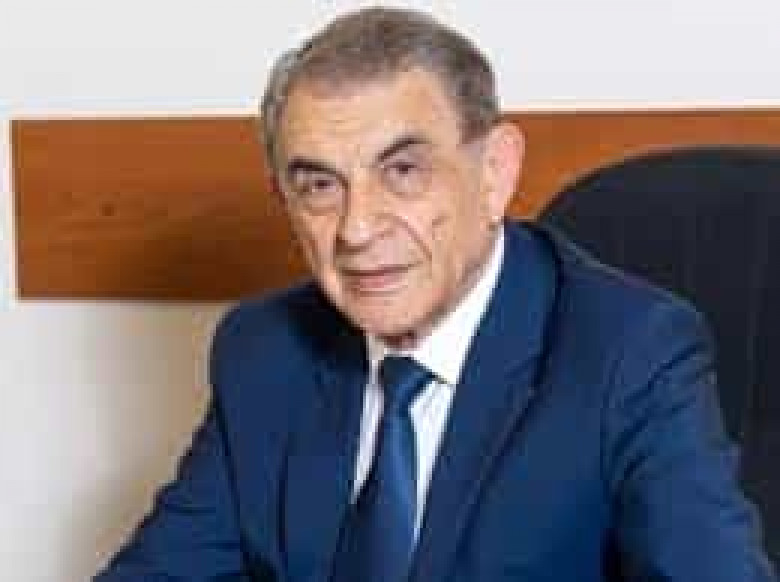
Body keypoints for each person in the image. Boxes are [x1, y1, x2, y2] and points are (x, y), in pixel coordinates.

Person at [95, 7, 776, 581]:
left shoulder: (629, 354)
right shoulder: (265, 351)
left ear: (495, 173)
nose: (357, 229)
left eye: (403, 171)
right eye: (320, 186)